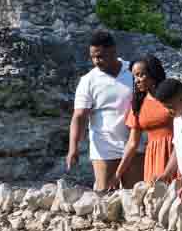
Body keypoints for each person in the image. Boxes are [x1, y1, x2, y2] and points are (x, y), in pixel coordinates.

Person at [67, 30, 133, 190]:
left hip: (135, 144)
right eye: (93, 57)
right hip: (104, 147)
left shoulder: (133, 71)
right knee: (104, 194)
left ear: (113, 51)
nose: (96, 61)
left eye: (101, 56)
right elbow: (79, 116)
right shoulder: (88, 80)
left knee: (134, 194)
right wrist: (73, 148)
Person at [112, 56, 171, 191]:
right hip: (153, 157)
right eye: (134, 77)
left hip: (175, 153)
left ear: (153, 74)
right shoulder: (138, 103)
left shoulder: (172, 95)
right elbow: (132, 143)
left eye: (141, 75)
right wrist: (117, 174)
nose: (137, 80)